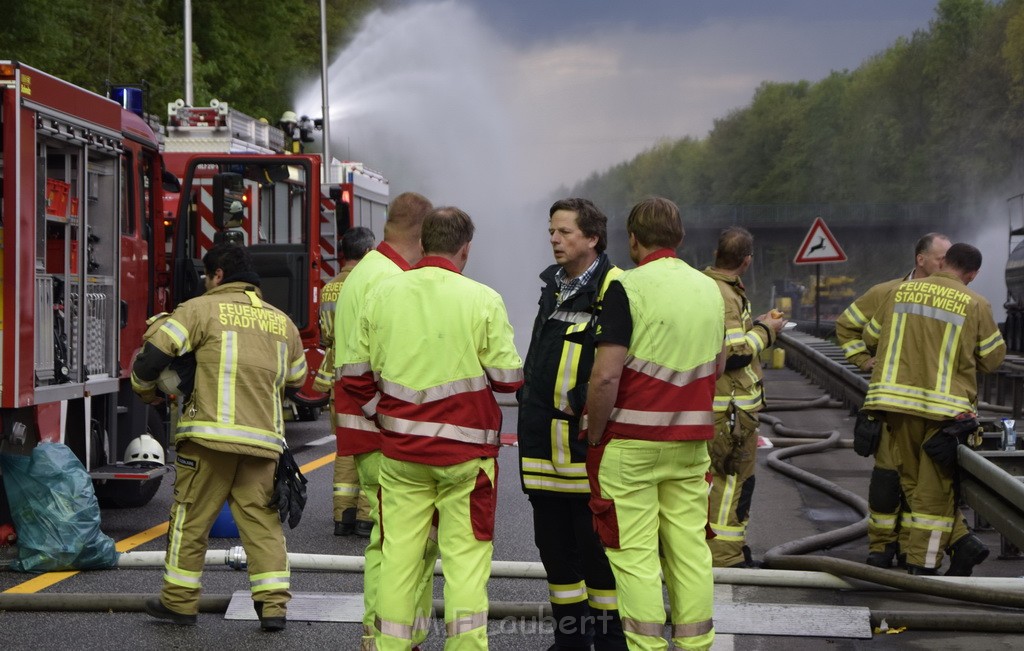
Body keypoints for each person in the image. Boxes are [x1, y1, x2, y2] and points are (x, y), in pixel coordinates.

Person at [340, 207, 524, 650]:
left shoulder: (382, 294)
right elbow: (508, 380)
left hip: (402, 454)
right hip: (467, 459)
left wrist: (382, 413)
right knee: (465, 565)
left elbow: (353, 372)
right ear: (466, 250)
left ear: (423, 244)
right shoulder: (483, 299)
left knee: (400, 560)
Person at [130, 243, 307, 631]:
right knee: (262, 526)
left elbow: (152, 359)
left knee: (190, 521)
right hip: (262, 443)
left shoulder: (198, 309)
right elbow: (297, 380)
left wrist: (146, 391)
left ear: (218, 275)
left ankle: (178, 602)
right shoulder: (284, 323)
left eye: (208, 277)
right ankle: (273, 607)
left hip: (207, 440)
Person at [585, 197, 724, 651]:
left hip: (631, 445)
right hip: (691, 444)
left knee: (637, 559)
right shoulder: (710, 290)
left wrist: (597, 431)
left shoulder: (627, 287)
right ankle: (695, 646)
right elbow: (717, 364)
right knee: (690, 554)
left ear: (633, 240)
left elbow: (606, 374)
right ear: (680, 239)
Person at [517, 198, 627, 651]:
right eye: (552, 231)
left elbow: (610, 371)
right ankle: (571, 640)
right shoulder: (554, 285)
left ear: (592, 237)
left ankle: (609, 640)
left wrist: (592, 427)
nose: (554, 239)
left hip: (583, 447)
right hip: (544, 446)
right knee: (554, 551)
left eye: (564, 232)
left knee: (596, 554)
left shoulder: (612, 288)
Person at [331, 191, 438, 649]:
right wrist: (395, 420)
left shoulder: (371, 270)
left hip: (368, 429)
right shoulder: (389, 277)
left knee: (394, 538)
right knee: (398, 541)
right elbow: (370, 368)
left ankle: (394, 632)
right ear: (422, 232)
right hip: (380, 432)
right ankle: (382, 633)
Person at [862, 243, 1006, 576]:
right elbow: (992, 358)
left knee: (911, 478)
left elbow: (871, 337)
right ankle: (923, 565)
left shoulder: (900, 292)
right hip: (945, 412)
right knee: (936, 487)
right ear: (972, 274)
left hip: (895, 404)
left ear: (944, 263)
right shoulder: (976, 303)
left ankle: (951, 546)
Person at [836, 232, 954, 569]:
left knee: (924, 485)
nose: (945, 266)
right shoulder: (886, 293)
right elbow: (846, 327)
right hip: (891, 407)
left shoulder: (955, 299)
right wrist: (863, 361)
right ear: (921, 260)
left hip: (934, 411)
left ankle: (909, 548)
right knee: (888, 480)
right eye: (939, 259)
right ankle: (882, 546)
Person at [702, 227, 784, 569]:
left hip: (718, 408)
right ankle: (725, 557)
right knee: (731, 484)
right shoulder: (726, 295)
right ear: (747, 261)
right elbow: (734, 353)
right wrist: (767, 330)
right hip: (731, 412)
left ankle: (719, 551)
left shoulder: (707, 285)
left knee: (713, 483)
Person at [312, 226, 376, 537]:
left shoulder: (329, 288)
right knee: (372, 447)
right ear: (367, 253)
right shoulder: (371, 283)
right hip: (366, 376)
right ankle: (366, 517)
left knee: (346, 447)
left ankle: (343, 516)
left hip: (337, 377)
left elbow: (325, 336)